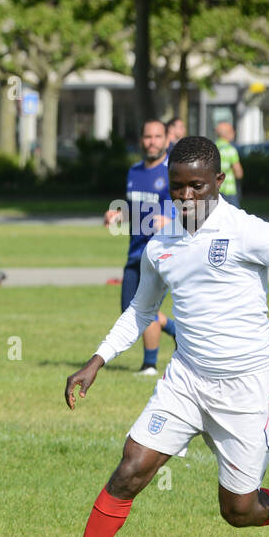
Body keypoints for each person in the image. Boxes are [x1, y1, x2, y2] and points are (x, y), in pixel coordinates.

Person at [58, 136, 269, 537]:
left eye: (198, 187)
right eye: (178, 188)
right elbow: (140, 309)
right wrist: (98, 359)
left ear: (219, 182)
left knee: (237, 511)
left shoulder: (247, 231)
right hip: (187, 380)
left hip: (247, 386)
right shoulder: (161, 244)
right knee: (130, 469)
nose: (187, 197)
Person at [102, 119, 177, 376]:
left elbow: (192, 209)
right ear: (141, 140)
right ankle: (175, 331)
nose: (152, 142)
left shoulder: (174, 171)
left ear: (166, 140)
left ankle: (149, 365)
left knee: (146, 308)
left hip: (160, 254)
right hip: (135, 251)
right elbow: (134, 210)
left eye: (157, 136)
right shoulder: (134, 171)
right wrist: (117, 215)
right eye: (148, 137)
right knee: (128, 310)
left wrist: (171, 220)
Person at [215, 121, 244, 207]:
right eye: (232, 131)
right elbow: (239, 173)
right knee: (234, 216)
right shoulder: (230, 150)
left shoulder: (213, 148)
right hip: (229, 189)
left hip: (216, 188)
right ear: (227, 133)